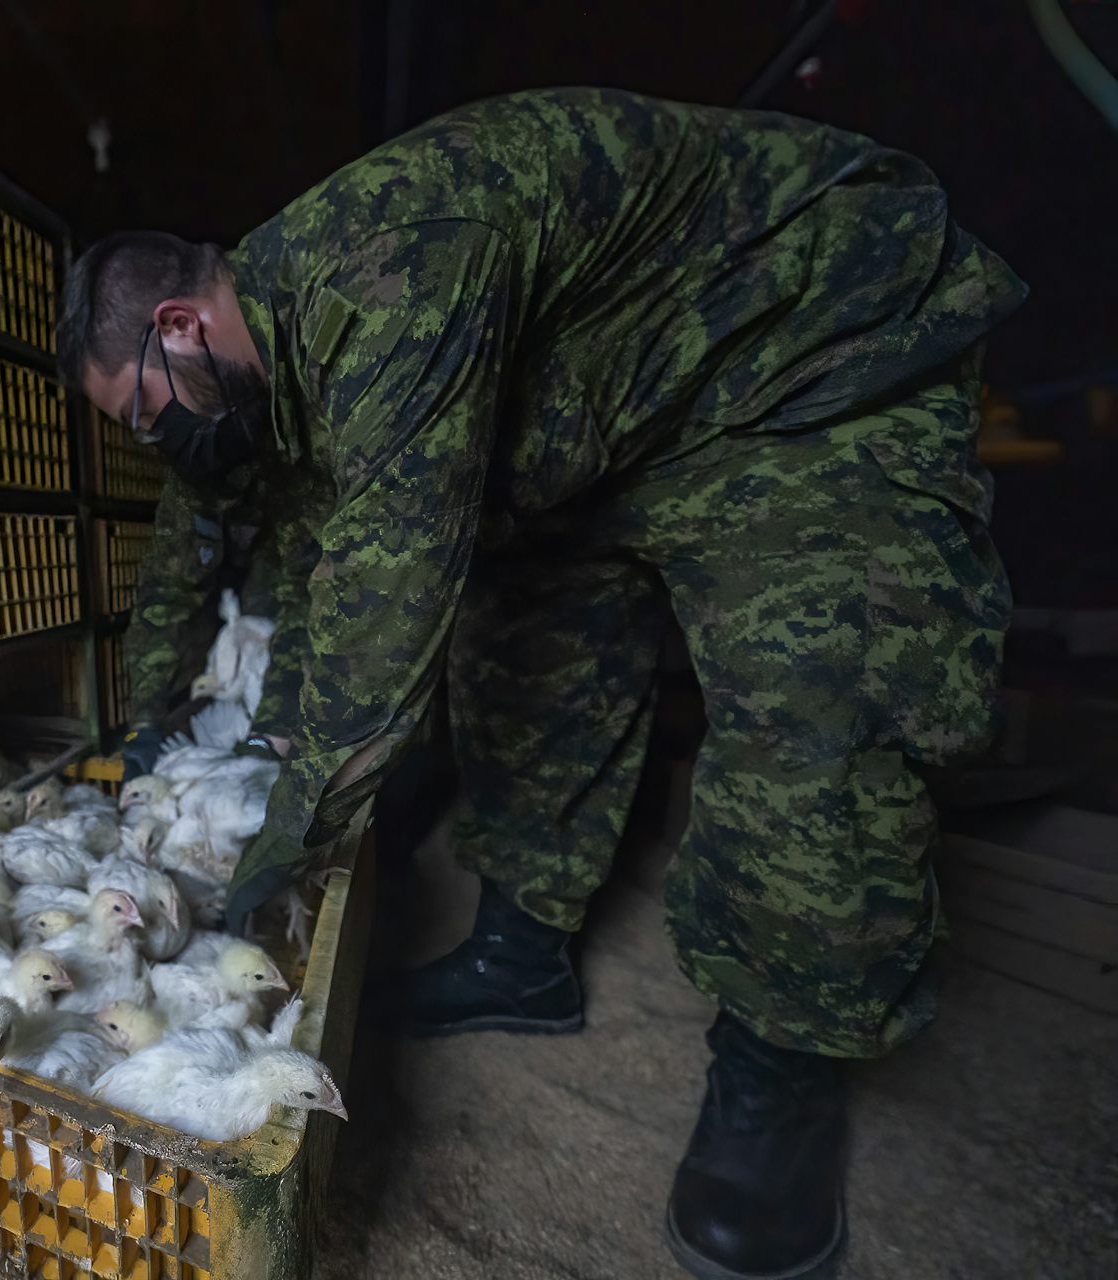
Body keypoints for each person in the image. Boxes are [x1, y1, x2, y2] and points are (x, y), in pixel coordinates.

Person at [56, 88, 1023, 1280]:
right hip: (613, 421)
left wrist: (281, 845)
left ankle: (785, 1061)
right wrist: (176, 728)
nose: (158, 443)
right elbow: (305, 571)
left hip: (794, 359)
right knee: (527, 660)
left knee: (819, 715)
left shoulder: (388, 266)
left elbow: (388, 596)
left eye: (144, 414)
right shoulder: (280, 368)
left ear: (178, 327)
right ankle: (523, 948)